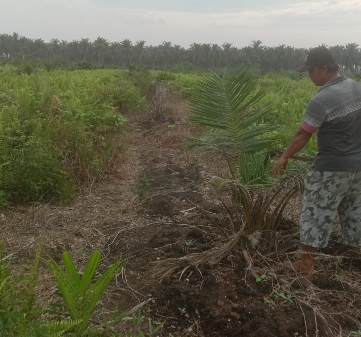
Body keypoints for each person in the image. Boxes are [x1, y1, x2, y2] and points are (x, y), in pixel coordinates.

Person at [273, 46, 361, 274]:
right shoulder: (354, 86)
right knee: (355, 211)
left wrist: (284, 156)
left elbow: (303, 134)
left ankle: (307, 264)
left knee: (315, 212)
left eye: (311, 71)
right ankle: (355, 257)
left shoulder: (322, 99)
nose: (309, 75)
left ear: (324, 68)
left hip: (331, 168)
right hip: (358, 166)